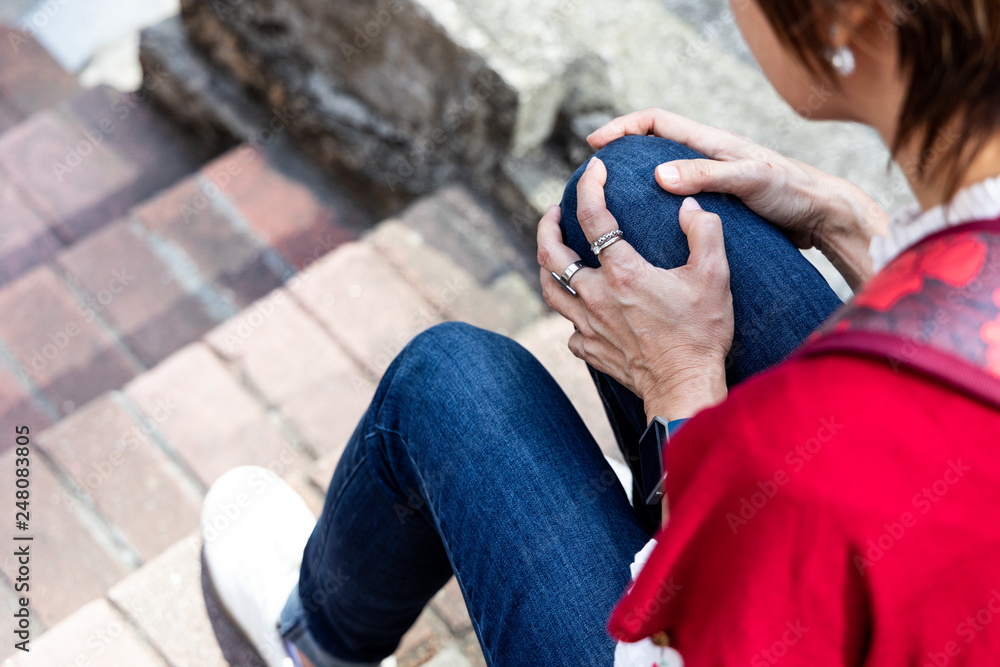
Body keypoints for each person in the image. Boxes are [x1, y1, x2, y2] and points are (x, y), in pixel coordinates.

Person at [201, 0, 1000, 665]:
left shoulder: (802, 450)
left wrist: (684, 387)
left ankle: (312, 644)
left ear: (844, 15)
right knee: (636, 191)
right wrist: (844, 217)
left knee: (451, 381)